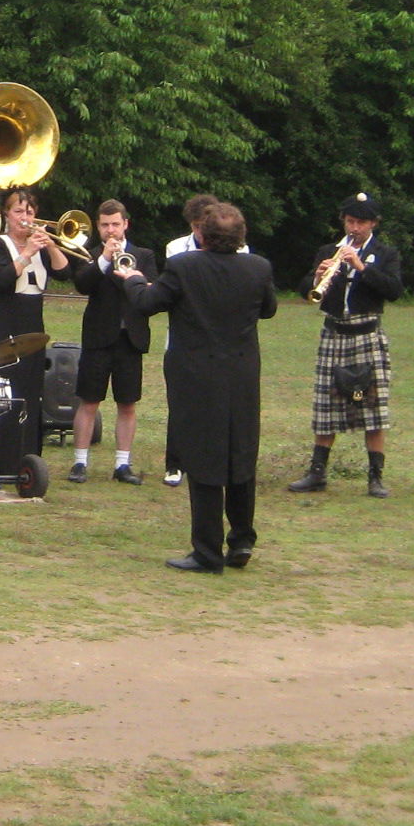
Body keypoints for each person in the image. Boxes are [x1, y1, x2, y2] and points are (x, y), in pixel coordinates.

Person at [122, 201, 277, 573]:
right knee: (240, 453)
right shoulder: (258, 268)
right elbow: (268, 309)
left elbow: (147, 302)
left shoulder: (184, 266)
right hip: (241, 376)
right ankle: (241, 539)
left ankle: (207, 551)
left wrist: (132, 281)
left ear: (202, 235)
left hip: (197, 377)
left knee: (205, 459)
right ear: (241, 237)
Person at [287, 191, 405, 499]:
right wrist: (318, 277)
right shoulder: (328, 250)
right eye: (350, 221)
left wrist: (362, 267)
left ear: (373, 223)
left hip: (367, 333)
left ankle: (375, 477)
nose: (354, 228)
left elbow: (393, 290)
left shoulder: (386, 253)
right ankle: (316, 473)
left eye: (361, 222)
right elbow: (304, 292)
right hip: (334, 332)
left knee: (372, 408)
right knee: (326, 406)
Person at [66, 199, 159, 484]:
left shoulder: (143, 255)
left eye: (115, 224)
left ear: (125, 224)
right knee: (89, 400)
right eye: (105, 225)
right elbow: (83, 285)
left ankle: (122, 464)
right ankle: (80, 462)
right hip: (98, 336)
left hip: (130, 337)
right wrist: (104, 259)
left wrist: (138, 278)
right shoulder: (89, 254)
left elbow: (154, 295)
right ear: (98, 226)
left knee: (127, 403)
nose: (110, 230)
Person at [0, 185, 70, 463]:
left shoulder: (41, 246)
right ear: (7, 214)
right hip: (5, 322)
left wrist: (52, 246)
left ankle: (26, 456)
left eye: (29, 211)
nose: (25, 217)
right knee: (7, 390)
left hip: (33, 323)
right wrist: (26, 252)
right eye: (18, 211)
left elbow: (65, 273)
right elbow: (3, 280)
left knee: (31, 392)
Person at [158, 193, 231, 487]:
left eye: (207, 225)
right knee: (180, 403)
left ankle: (211, 462)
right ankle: (175, 464)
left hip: (219, 340)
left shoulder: (235, 247)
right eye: (198, 226)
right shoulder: (176, 248)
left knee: (216, 403)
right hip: (182, 338)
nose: (202, 232)